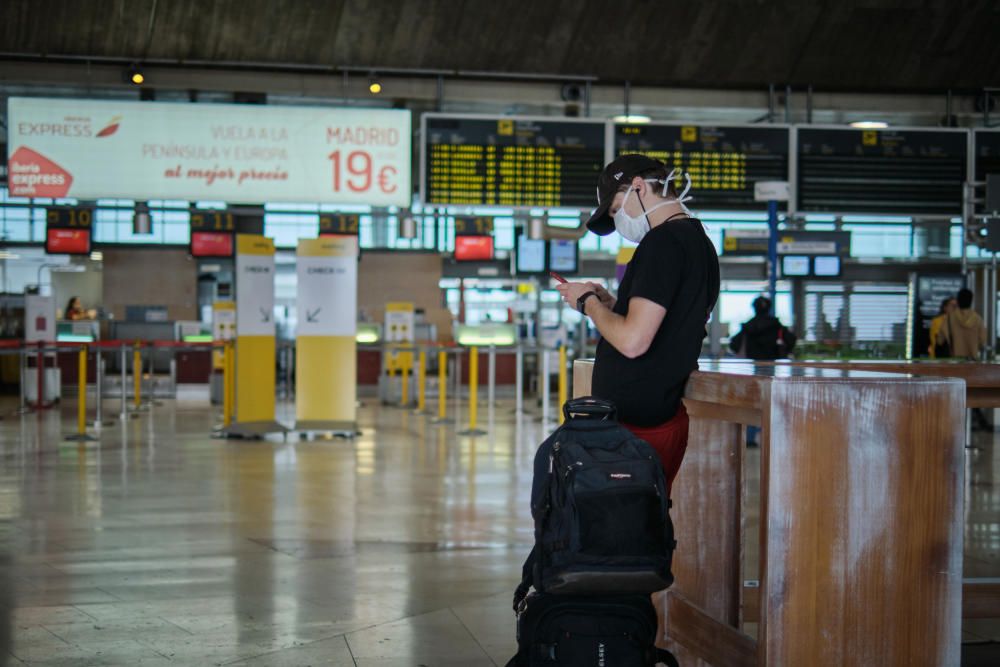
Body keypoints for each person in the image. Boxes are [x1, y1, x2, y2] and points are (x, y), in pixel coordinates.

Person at [556, 155, 720, 493]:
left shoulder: (661, 243)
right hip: (657, 420)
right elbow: (668, 325)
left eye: (616, 210)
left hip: (636, 433)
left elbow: (633, 342)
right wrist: (612, 306)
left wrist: (587, 304)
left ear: (639, 187)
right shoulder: (698, 241)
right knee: (640, 532)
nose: (618, 222)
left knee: (614, 536)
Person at [728, 296, 797, 360]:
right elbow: (791, 340)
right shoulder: (776, 325)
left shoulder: (748, 326)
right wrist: (785, 352)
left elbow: (733, 345)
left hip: (753, 362)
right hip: (773, 362)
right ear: (769, 307)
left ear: (754, 308)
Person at [943, 288, 986, 360]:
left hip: (954, 359)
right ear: (971, 300)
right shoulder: (978, 319)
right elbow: (983, 340)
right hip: (972, 359)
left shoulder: (950, 318)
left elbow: (940, 340)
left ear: (958, 300)